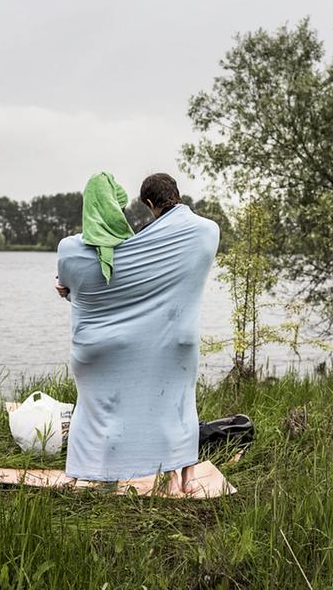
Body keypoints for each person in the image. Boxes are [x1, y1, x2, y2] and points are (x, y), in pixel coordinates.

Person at [56, 172, 219, 494]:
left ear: (148, 202)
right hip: (178, 341)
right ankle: (178, 482)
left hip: (94, 349)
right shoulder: (207, 231)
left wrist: (68, 293)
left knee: (96, 413)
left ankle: (87, 476)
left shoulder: (72, 250)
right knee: (177, 409)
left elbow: (97, 287)